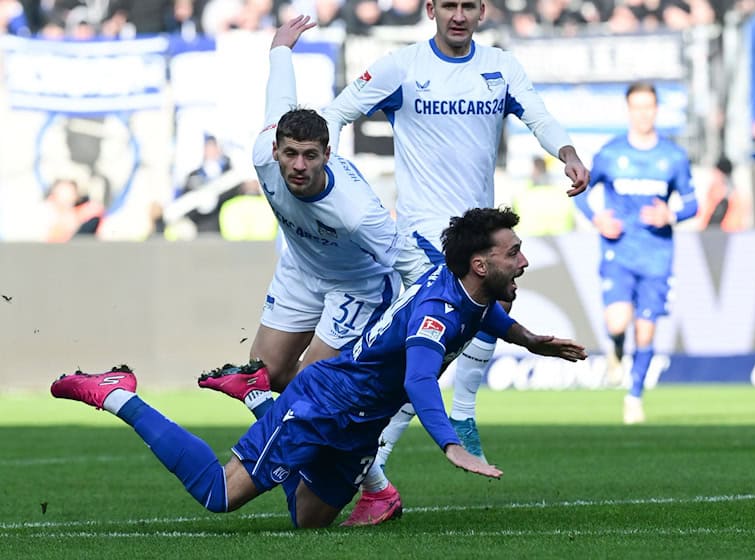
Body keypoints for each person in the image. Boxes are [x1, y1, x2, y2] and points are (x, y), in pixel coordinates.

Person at [51, 206, 588, 529]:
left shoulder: (466, 294)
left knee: (308, 521)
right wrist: (451, 445)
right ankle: (117, 393)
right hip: (323, 401)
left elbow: (483, 314)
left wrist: (531, 341)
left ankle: (258, 397)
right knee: (219, 494)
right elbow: (418, 379)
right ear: (481, 263)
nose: (523, 261)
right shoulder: (436, 315)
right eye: (514, 252)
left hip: (359, 424)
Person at [317, 0, 590, 524]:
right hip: (424, 236)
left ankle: (411, 448)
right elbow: (337, 113)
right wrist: (324, 173)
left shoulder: (501, 67)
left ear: (482, 11)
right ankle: (403, 454)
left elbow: (539, 114)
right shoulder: (403, 66)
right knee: (426, 358)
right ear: (430, 9)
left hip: (479, 232)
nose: (458, 15)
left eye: (468, 5)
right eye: (449, 5)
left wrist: (568, 153)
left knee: (459, 332)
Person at [198, 14, 431, 415]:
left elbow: (414, 269)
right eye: (290, 154)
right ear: (275, 151)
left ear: (327, 154)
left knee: (312, 385)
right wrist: (280, 50)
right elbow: (280, 98)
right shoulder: (261, 155)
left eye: (310, 156)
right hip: (301, 269)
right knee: (266, 373)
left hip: (357, 285)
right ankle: (341, 419)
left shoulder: (357, 212)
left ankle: (362, 470)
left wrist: (434, 330)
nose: (299, 166)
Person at [573, 82, 698, 425]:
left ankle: (634, 397)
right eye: (637, 107)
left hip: (657, 254)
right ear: (629, 110)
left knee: (646, 331)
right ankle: (615, 348)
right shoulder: (612, 153)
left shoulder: (672, 157)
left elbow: (691, 204)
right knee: (618, 321)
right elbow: (581, 190)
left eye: (649, 107)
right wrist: (597, 218)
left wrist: (669, 215)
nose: (643, 113)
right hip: (619, 250)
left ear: (657, 110)